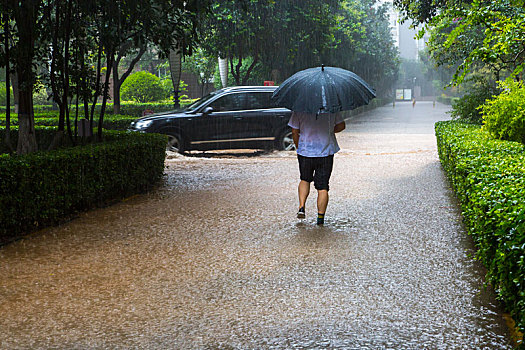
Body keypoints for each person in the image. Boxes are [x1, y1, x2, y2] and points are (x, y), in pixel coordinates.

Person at [288, 111, 346, 225]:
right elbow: (341, 125)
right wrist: (328, 131)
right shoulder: (331, 108)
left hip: (305, 151)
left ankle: (301, 207)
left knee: (305, 179)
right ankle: (320, 218)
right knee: (323, 186)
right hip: (326, 151)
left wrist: (298, 147)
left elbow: (294, 131)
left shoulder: (300, 108)